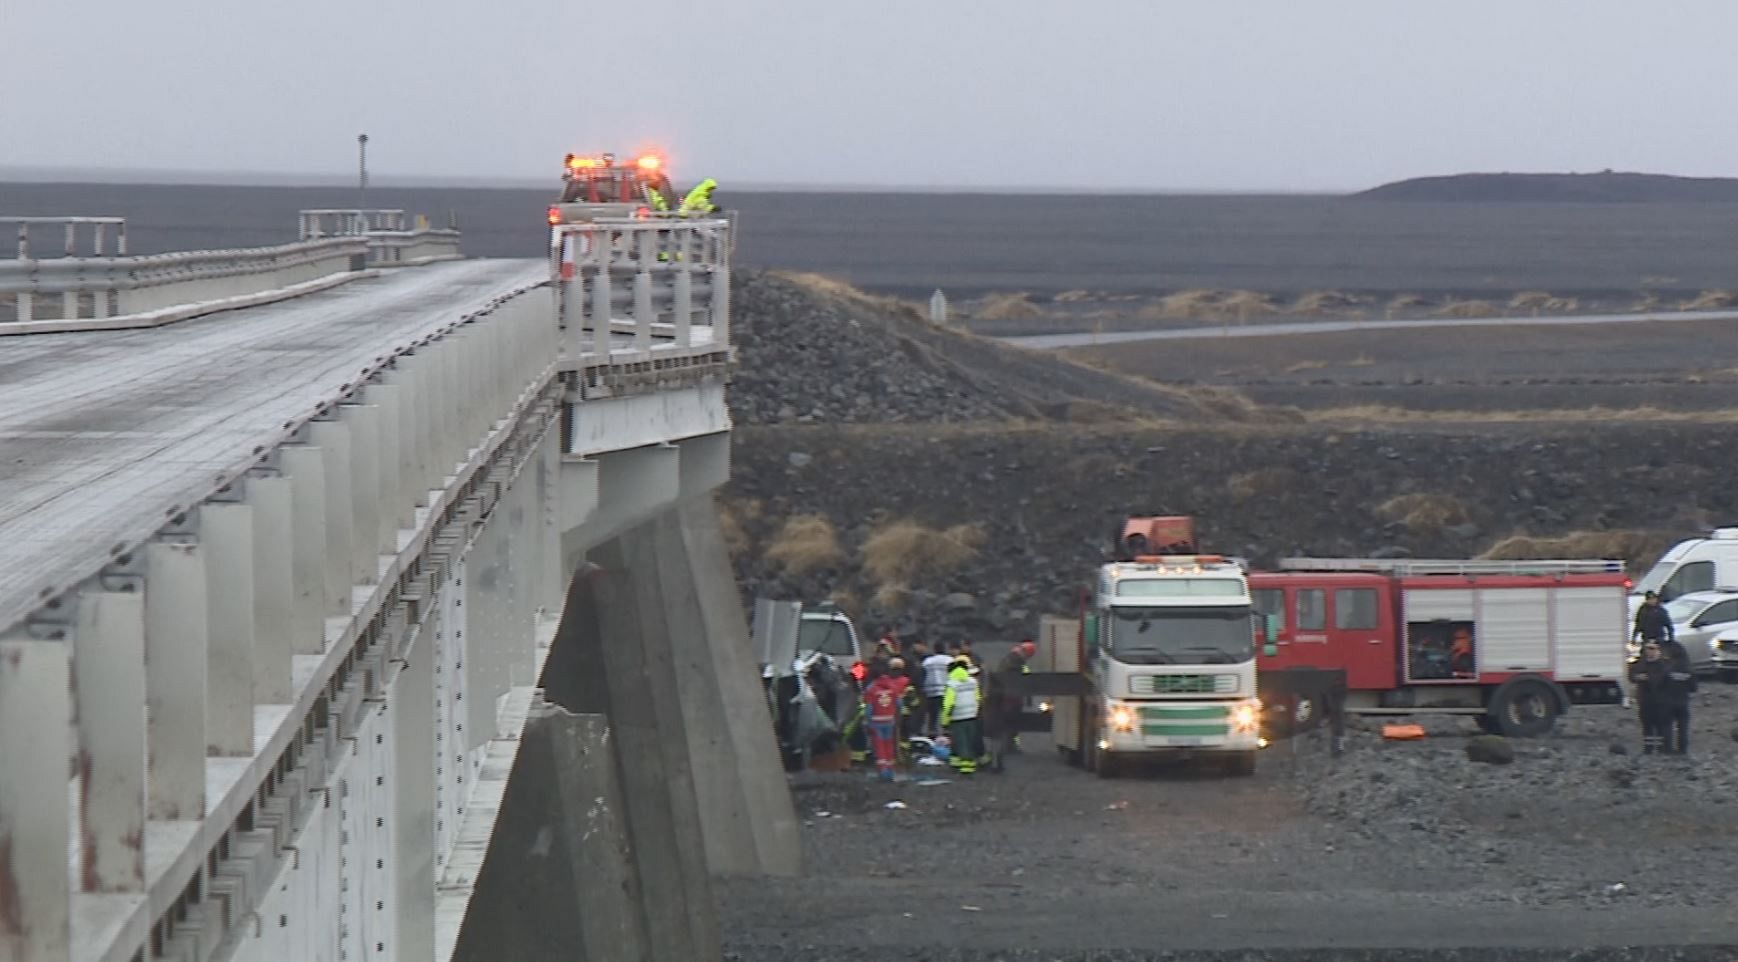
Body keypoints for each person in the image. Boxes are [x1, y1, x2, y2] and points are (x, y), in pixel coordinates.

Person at [983, 641, 1037, 773]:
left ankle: (997, 760)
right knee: (1000, 734)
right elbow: (1017, 681)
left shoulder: (1010, 660)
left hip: (1001, 704)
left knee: (998, 735)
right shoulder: (1014, 663)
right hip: (1006, 703)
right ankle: (997, 762)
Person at [862, 664, 908, 781]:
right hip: (890, 720)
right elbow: (899, 704)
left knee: (879, 746)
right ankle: (891, 769)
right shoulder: (893, 686)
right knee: (889, 744)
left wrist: (867, 720)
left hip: (876, 721)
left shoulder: (871, 688)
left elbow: (869, 708)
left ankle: (883, 770)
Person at [940, 655, 982, 774]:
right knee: (970, 741)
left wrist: (944, 721)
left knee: (961, 742)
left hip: (958, 717)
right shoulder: (973, 681)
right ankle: (970, 765)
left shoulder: (952, 684)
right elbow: (978, 698)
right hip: (972, 716)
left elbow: (947, 704)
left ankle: (965, 769)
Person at [1628, 641, 1668, 754]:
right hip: (1644, 700)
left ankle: (1661, 748)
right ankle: (1648, 748)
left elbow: (1662, 679)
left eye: (1652, 648)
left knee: (1660, 725)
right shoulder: (1640, 663)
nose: (1650, 651)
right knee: (1647, 725)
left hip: (1660, 700)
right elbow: (1631, 675)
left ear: (1658, 650)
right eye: (1647, 649)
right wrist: (1637, 677)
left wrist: (1648, 678)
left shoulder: (1663, 664)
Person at [1658, 636, 1696, 755]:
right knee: (1683, 727)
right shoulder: (1689, 670)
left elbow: (1660, 684)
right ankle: (1683, 749)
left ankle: (1667, 749)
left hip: (1668, 702)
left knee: (1667, 726)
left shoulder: (1667, 669)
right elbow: (1693, 688)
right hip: (1683, 702)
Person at [921, 644, 953, 737]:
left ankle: (932, 734)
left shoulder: (927, 661)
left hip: (931, 692)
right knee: (946, 714)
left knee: (933, 716)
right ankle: (947, 734)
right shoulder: (949, 660)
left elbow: (923, 675)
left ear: (934, 650)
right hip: (946, 691)